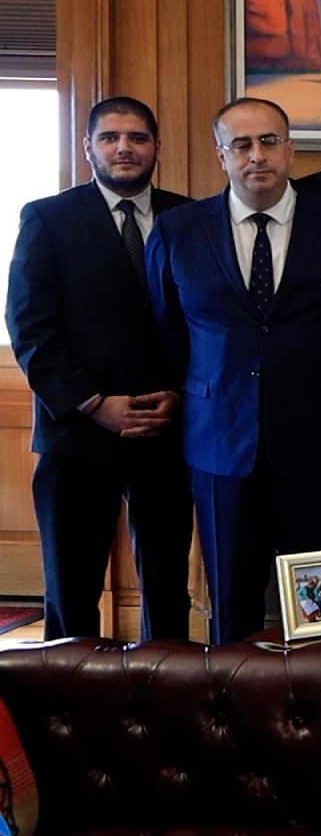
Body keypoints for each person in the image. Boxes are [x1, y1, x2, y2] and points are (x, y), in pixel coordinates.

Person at [146, 97, 321, 643]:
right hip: (221, 444)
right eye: (242, 145)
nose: (258, 156)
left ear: (290, 148)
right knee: (233, 608)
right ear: (221, 155)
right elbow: (166, 330)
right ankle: (234, 699)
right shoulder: (179, 230)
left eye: (270, 141)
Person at [7, 96, 193, 641]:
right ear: (88, 146)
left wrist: (182, 394)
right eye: (110, 137)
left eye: (137, 138)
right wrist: (92, 403)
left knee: (167, 582)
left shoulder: (190, 218)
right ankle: (70, 689)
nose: (124, 148)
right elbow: (30, 325)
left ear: (157, 147)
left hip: (167, 430)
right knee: (72, 585)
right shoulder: (48, 218)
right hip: (78, 432)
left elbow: (209, 321)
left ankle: (165, 681)